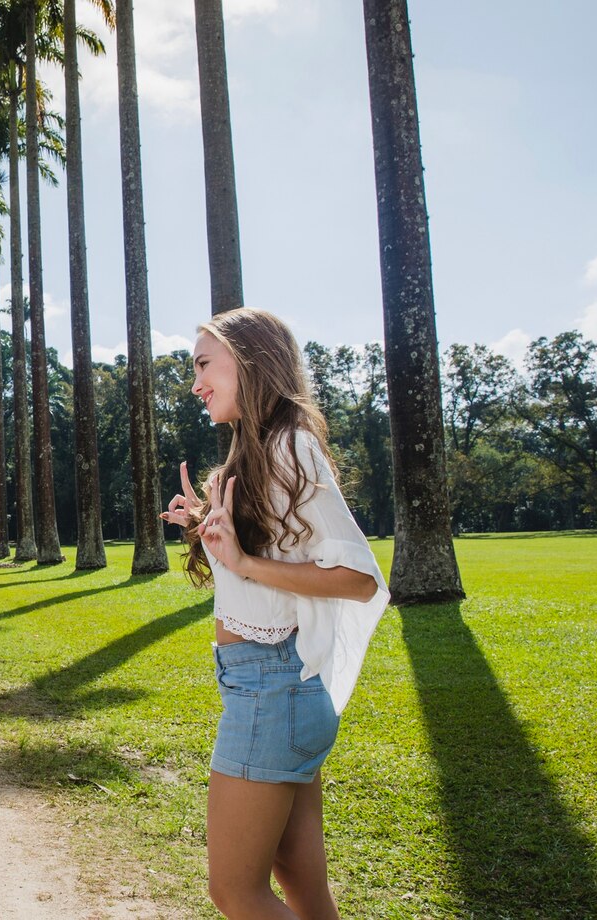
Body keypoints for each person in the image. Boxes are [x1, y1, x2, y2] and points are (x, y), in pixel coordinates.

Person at [161, 308, 389, 919]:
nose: (196, 383)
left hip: (273, 688)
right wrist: (211, 527)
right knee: (302, 886)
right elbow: (266, 560)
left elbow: (360, 579)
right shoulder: (261, 447)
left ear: (251, 361)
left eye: (204, 364)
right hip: (275, 687)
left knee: (235, 890)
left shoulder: (289, 444)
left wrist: (244, 558)